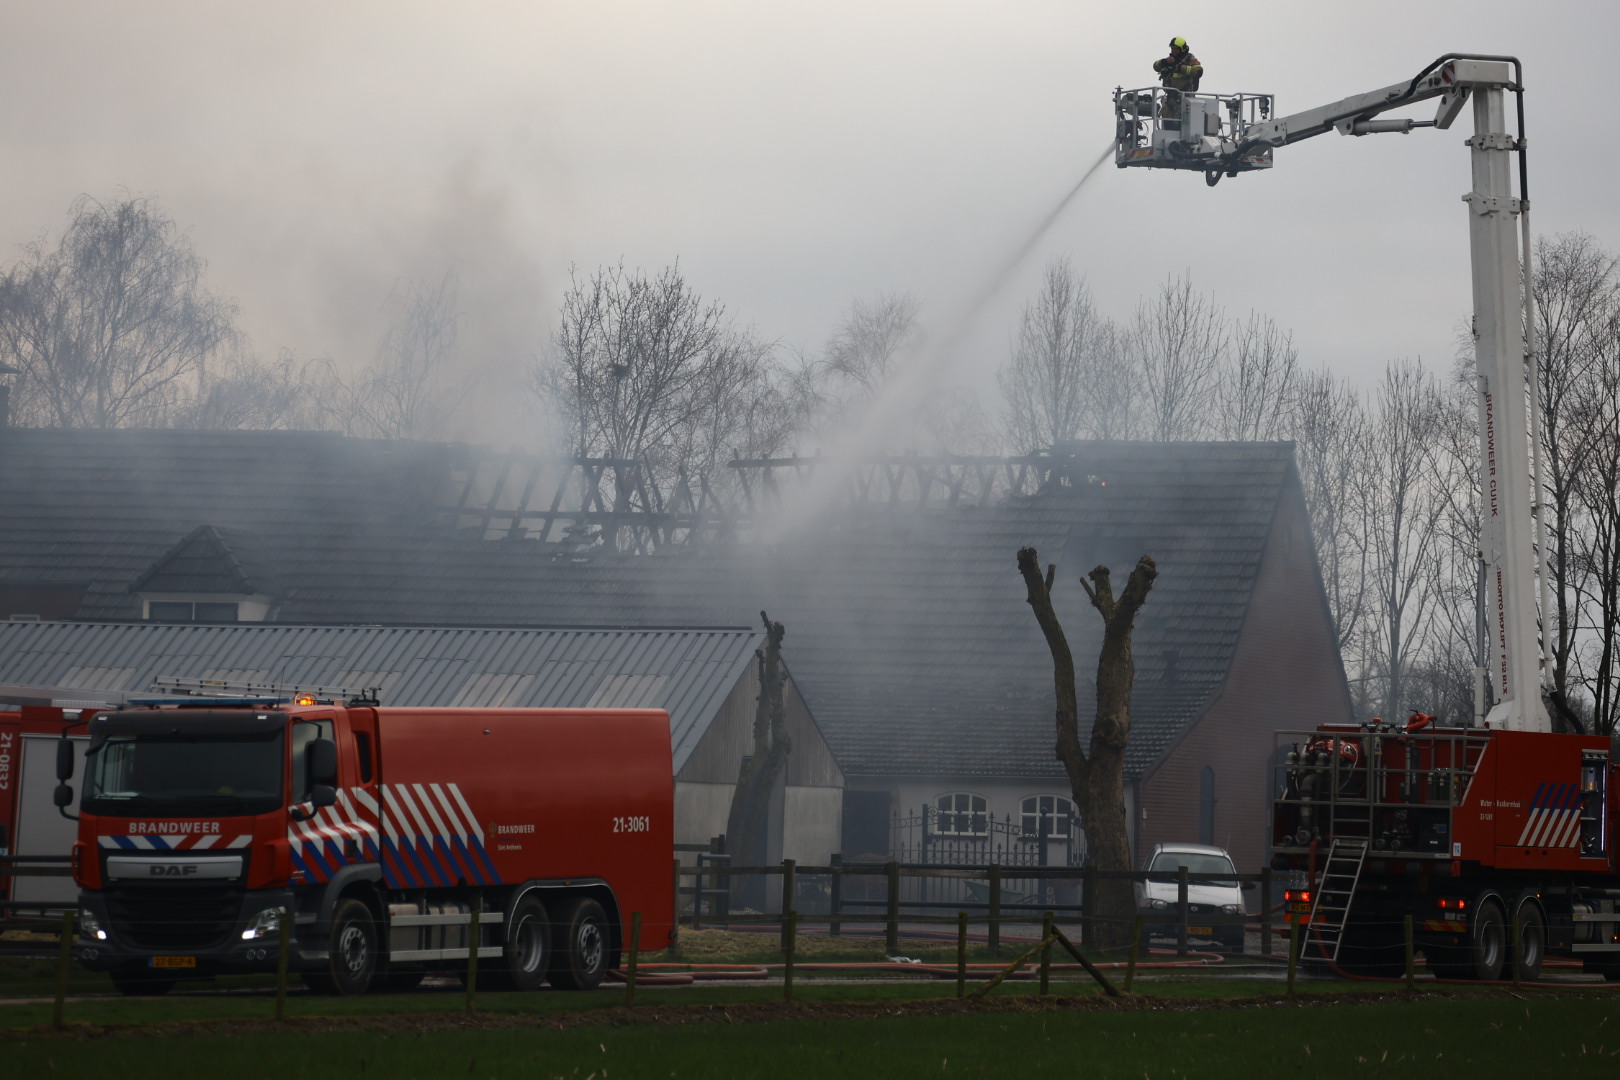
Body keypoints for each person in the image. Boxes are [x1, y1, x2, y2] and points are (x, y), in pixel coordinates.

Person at [1153, 37, 1203, 121]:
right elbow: (1155, 66)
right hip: (1171, 98)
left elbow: (1198, 71)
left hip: (1185, 97)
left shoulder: (1190, 59)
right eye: (1172, 49)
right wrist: (1164, 62)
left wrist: (1180, 67)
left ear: (1182, 49)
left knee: (1185, 121)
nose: (1174, 51)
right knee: (1168, 122)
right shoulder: (1170, 60)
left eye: (1176, 49)